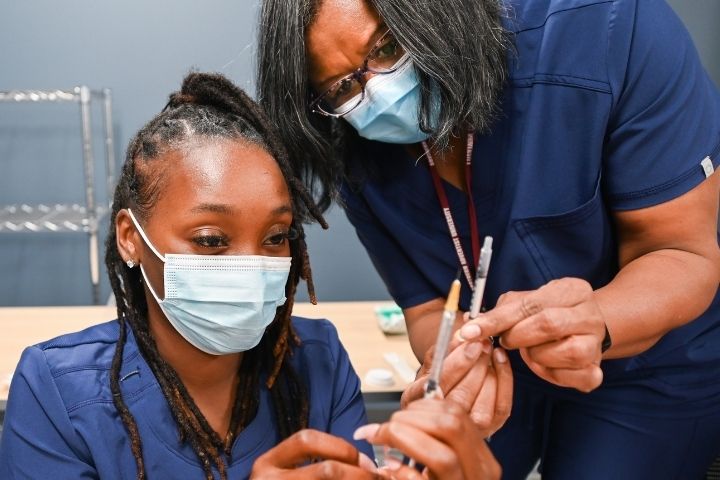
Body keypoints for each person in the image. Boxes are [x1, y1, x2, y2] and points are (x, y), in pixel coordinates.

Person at [256, 0, 720, 478]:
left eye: (388, 48)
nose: (378, 94)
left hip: (648, 364)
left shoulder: (607, 32)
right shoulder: (351, 147)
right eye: (342, 87)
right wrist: (449, 356)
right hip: (495, 368)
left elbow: (681, 253)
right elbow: (426, 307)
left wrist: (598, 319)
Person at [0, 72, 505, 480]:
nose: (252, 264)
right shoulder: (57, 394)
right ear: (131, 237)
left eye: (276, 237)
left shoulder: (319, 364)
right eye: (211, 240)